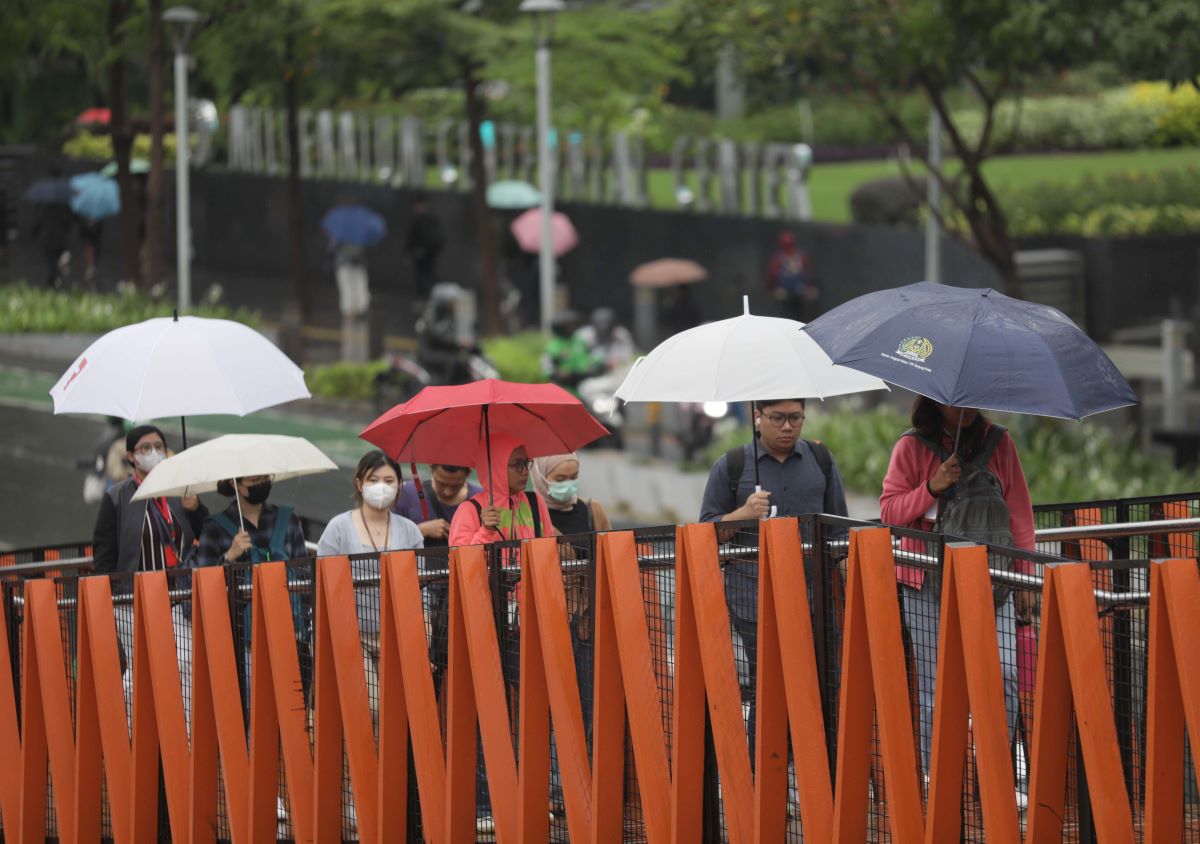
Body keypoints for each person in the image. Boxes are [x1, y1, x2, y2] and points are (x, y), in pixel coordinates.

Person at [879, 397, 1036, 796]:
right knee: (936, 683)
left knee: (1004, 672)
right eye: (956, 399)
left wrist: (1024, 578)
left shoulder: (999, 444)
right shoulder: (911, 447)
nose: (966, 405)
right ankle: (939, 775)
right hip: (927, 580)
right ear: (937, 399)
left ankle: (998, 769)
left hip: (993, 580)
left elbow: (1019, 514)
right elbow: (890, 513)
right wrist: (932, 486)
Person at [699, 398, 848, 753]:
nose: (787, 426)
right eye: (777, 417)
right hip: (752, 597)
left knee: (818, 684)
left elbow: (839, 527)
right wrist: (744, 514)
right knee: (767, 685)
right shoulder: (732, 465)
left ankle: (817, 769)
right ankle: (764, 772)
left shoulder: (820, 461)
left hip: (814, 595)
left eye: (795, 417)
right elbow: (704, 533)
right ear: (757, 417)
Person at [92, 424, 207, 574]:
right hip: (137, 591)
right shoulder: (117, 497)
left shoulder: (180, 489)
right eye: (145, 448)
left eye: (159, 447)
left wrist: (197, 510)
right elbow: (104, 553)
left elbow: (207, 534)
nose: (154, 453)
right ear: (131, 456)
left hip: (182, 588)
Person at [448, 434, 554, 548]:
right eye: (517, 464)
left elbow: (550, 549)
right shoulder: (470, 509)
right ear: (496, 466)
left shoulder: (535, 501)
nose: (524, 471)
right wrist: (486, 531)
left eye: (526, 463)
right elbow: (462, 562)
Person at [394, 464, 482, 548]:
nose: (448, 492)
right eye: (441, 484)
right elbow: (388, 538)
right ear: (431, 468)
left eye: (456, 485)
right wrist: (420, 530)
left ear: (469, 473)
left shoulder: (481, 499)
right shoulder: (407, 494)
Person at [766, 231, 818, 322]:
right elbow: (772, 276)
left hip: (800, 292)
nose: (789, 248)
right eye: (786, 245)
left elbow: (809, 273)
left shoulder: (801, 256)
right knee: (785, 316)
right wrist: (774, 289)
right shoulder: (778, 258)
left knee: (801, 316)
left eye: (790, 245)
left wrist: (810, 287)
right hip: (784, 294)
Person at [403, 190, 444, 300]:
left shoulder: (418, 219)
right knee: (429, 275)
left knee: (422, 277)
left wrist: (409, 251)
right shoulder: (432, 218)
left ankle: (426, 298)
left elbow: (411, 237)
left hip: (421, 253)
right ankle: (432, 297)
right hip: (431, 253)